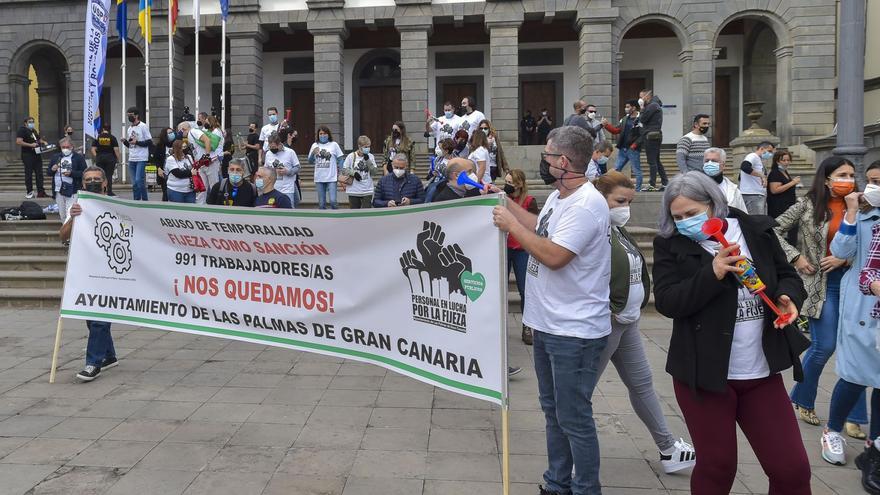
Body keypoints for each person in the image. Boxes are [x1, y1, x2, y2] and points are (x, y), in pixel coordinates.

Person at [653, 171, 810, 494]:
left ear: (714, 205)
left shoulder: (755, 230)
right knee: (717, 467)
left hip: (760, 372)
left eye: (692, 213)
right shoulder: (671, 245)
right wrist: (712, 273)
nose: (685, 221)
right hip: (704, 375)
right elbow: (669, 301)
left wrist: (788, 298)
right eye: (677, 216)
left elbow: (787, 275)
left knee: (791, 469)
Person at [492, 126, 609, 495]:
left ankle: (586, 488)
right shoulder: (561, 198)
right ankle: (557, 482)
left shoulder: (587, 203)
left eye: (546, 155)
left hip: (573, 330)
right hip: (547, 324)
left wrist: (510, 225)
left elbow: (555, 255)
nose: (543, 161)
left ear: (562, 161)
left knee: (573, 416)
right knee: (553, 411)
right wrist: (503, 202)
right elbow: (539, 228)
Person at [594, 170, 697, 475]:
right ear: (601, 199)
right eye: (620, 201)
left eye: (630, 201)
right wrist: (608, 309)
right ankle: (572, 462)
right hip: (608, 324)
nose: (626, 207)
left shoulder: (619, 232)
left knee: (642, 384)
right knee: (580, 394)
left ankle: (668, 449)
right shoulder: (595, 229)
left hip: (627, 322)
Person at [775, 156, 869, 436]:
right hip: (819, 285)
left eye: (852, 175)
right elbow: (773, 229)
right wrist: (796, 257)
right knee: (824, 345)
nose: (848, 180)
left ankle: (854, 417)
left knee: (855, 349)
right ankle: (804, 398)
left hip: (855, 284)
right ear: (826, 179)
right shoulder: (807, 205)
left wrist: (844, 260)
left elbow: (869, 244)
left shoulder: (864, 207)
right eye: (842, 174)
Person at [822, 161, 880, 481]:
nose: (873, 187)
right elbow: (841, 248)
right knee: (855, 374)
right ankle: (832, 430)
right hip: (860, 306)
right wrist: (851, 213)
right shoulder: (860, 216)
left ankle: (875, 445)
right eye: (870, 181)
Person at [60, 166, 118, 382]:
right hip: (87, 270)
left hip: (112, 271)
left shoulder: (118, 204)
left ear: (104, 183)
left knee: (100, 319)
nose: (92, 182)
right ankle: (109, 356)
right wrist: (73, 218)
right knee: (91, 318)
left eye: (96, 179)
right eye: (88, 180)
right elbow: (62, 235)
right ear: (83, 184)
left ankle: (93, 362)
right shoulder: (77, 206)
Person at [503, 169, 538, 345]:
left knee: (525, 290)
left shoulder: (529, 201)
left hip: (522, 250)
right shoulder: (503, 198)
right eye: (506, 181)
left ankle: (527, 326)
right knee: (500, 290)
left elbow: (533, 225)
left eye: (510, 182)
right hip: (504, 248)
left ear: (519, 184)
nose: (507, 185)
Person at [604, 100, 643, 191]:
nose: (626, 109)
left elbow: (642, 135)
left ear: (633, 108)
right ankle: (613, 188)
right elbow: (616, 130)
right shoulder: (624, 119)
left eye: (628, 107)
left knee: (637, 171)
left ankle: (638, 190)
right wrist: (606, 125)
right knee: (616, 169)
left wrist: (634, 145)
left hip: (633, 149)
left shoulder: (640, 118)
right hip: (623, 149)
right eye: (626, 107)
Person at [48, 137, 86, 224]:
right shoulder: (55, 157)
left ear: (72, 147)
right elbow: (48, 172)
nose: (65, 149)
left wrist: (71, 173)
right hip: (58, 190)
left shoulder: (78, 158)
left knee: (70, 213)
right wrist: (53, 169)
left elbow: (84, 173)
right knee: (62, 214)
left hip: (72, 190)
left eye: (67, 147)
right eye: (63, 147)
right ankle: (66, 233)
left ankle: (70, 235)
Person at [768, 150, 801, 246]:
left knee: (793, 228)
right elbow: (774, 190)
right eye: (784, 160)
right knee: (782, 228)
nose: (786, 162)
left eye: (788, 160)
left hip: (789, 204)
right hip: (779, 206)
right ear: (777, 161)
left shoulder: (784, 172)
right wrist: (793, 183)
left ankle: (792, 248)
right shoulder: (775, 173)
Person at [309, 125, 344, 210]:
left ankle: (336, 217)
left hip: (331, 177)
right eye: (320, 134)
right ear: (318, 135)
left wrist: (341, 173)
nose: (322, 135)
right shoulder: (314, 145)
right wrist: (313, 153)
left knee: (333, 201)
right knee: (321, 204)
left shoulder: (334, 145)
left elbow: (341, 159)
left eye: (325, 133)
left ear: (328, 134)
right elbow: (310, 161)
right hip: (319, 178)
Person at [638, 89, 668, 191]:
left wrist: (642, 108)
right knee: (656, 161)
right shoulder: (655, 105)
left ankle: (652, 185)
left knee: (652, 161)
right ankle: (665, 183)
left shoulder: (651, 106)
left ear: (647, 96)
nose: (640, 99)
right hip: (655, 135)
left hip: (651, 135)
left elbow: (642, 119)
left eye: (641, 97)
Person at [701, 147, 747, 212]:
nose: (709, 163)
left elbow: (743, 216)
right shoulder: (695, 188)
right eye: (707, 161)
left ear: (723, 165)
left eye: (714, 161)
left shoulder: (734, 191)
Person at [122, 107, 152, 201]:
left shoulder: (143, 126)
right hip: (132, 158)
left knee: (139, 180)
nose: (129, 117)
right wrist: (125, 141)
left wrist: (137, 142)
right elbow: (131, 145)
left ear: (136, 115)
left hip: (141, 158)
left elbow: (149, 142)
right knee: (134, 183)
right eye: (128, 115)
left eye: (131, 115)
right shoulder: (129, 128)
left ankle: (145, 200)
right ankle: (136, 200)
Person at [340, 135, 379, 209]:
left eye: (368, 146)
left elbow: (374, 172)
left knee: (366, 214)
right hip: (354, 190)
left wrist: (368, 160)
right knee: (354, 214)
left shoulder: (370, 156)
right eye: (365, 147)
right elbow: (344, 170)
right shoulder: (351, 156)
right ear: (359, 146)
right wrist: (354, 173)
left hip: (367, 190)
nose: (367, 148)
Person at [264, 132, 300, 208]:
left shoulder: (290, 152)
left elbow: (297, 167)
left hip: (287, 187)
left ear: (279, 144)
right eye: (270, 147)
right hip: (273, 188)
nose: (272, 149)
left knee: (289, 209)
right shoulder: (268, 154)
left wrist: (288, 172)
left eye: (274, 147)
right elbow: (266, 169)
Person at [739, 141, 776, 215]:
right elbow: (745, 167)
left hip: (757, 194)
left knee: (759, 219)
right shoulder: (752, 156)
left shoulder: (759, 160)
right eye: (769, 151)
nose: (770, 154)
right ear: (762, 148)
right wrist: (761, 175)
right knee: (756, 221)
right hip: (752, 194)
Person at [16, 116, 48, 198]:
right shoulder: (22, 130)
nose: (32, 123)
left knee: (39, 174)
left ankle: (41, 192)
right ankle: (29, 192)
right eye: (30, 122)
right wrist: (30, 145)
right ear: (25, 123)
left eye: (33, 122)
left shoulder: (33, 130)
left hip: (37, 154)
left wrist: (43, 142)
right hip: (27, 155)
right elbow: (18, 141)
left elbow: (38, 139)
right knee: (29, 174)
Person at [90, 125, 120, 196]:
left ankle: (100, 191)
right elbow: (116, 150)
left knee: (100, 175)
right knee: (108, 175)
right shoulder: (112, 137)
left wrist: (97, 156)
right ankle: (109, 192)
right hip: (110, 158)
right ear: (109, 129)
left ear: (103, 129)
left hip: (100, 158)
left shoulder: (98, 137)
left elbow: (93, 149)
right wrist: (118, 159)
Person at [152, 127, 175, 202]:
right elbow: (156, 159)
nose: (172, 134)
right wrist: (159, 168)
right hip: (165, 173)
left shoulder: (177, 144)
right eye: (169, 133)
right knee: (166, 193)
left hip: (176, 172)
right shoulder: (160, 146)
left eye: (172, 132)